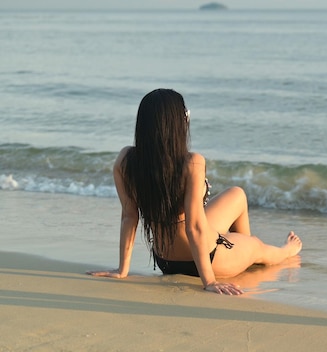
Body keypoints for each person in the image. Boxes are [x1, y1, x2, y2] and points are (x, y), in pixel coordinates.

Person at [87, 88, 302, 295]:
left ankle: (239, 251)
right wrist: (209, 281)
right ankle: (279, 251)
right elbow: (194, 227)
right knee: (258, 247)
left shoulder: (126, 160)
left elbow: (129, 216)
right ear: (177, 124)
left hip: (166, 259)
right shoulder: (191, 163)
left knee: (237, 194)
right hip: (208, 259)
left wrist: (122, 270)